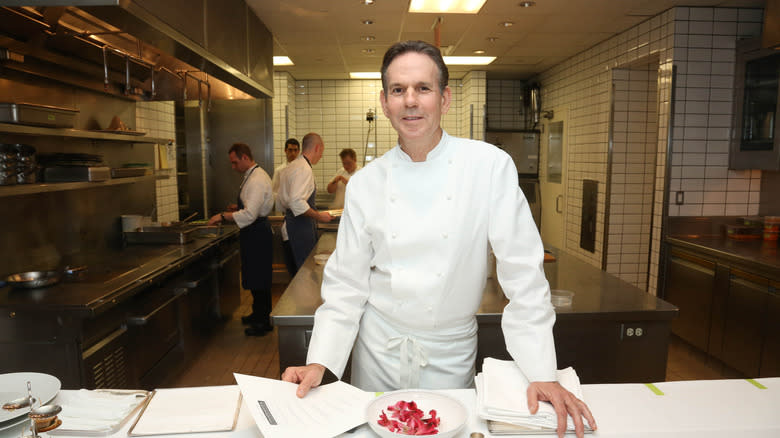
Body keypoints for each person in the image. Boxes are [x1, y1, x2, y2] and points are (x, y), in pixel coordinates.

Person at [281, 41, 596, 438]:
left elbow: (523, 274)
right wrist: (320, 361)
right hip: (377, 350)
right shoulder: (365, 183)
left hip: (449, 352)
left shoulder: (487, 167)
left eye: (423, 88)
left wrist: (542, 372)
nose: (410, 101)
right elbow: (346, 285)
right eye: (398, 90)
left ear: (444, 99)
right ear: (384, 102)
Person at [207, 143, 274, 337]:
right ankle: (257, 314)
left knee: (260, 278)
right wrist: (238, 207)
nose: (233, 167)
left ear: (245, 157)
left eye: (235, 162)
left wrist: (223, 216)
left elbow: (251, 214)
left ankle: (263, 322)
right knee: (254, 276)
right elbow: (251, 205)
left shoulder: (257, 179)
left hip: (257, 233)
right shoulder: (251, 175)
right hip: (252, 233)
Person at [276, 132, 333, 270]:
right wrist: (319, 216)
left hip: (291, 226)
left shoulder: (292, 166)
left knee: (297, 272)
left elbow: (280, 200)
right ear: (317, 148)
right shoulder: (303, 169)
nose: (321, 155)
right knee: (303, 273)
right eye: (322, 151)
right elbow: (296, 202)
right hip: (298, 230)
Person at [272, 138, 301, 277]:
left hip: (300, 216)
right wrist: (285, 202)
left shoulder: (303, 168)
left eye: (295, 150)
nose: (293, 153)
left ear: (299, 151)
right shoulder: (280, 170)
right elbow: (274, 192)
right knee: (290, 255)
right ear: (285, 151)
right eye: (290, 150)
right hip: (286, 214)